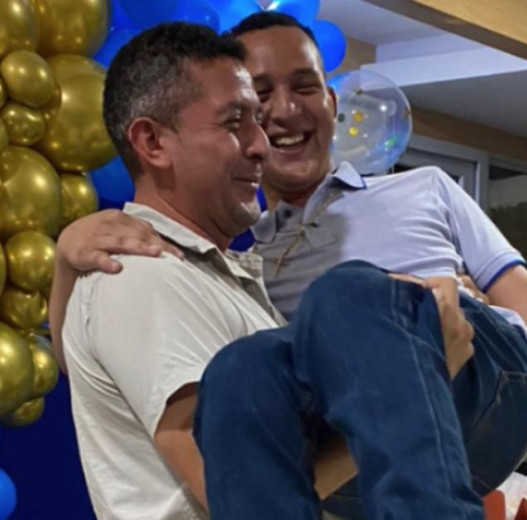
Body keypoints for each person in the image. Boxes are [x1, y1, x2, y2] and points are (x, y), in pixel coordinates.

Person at [53, 12, 527, 517]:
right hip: (374, 448)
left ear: (333, 103)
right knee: (245, 369)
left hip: (489, 379)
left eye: (302, 87)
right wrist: (66, 267)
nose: (275, 120)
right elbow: (107, 366)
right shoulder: (240, 264)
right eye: (248, 108)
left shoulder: (421, 190)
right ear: (154, 142)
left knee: (346, 295)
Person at [60, 21, 485, 520]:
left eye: (256, 123)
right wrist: (410, 382)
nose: (261, 144)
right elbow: (238, 488)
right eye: (234, 123)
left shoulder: (206, 276)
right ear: (152, 142)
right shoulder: (143, 277)